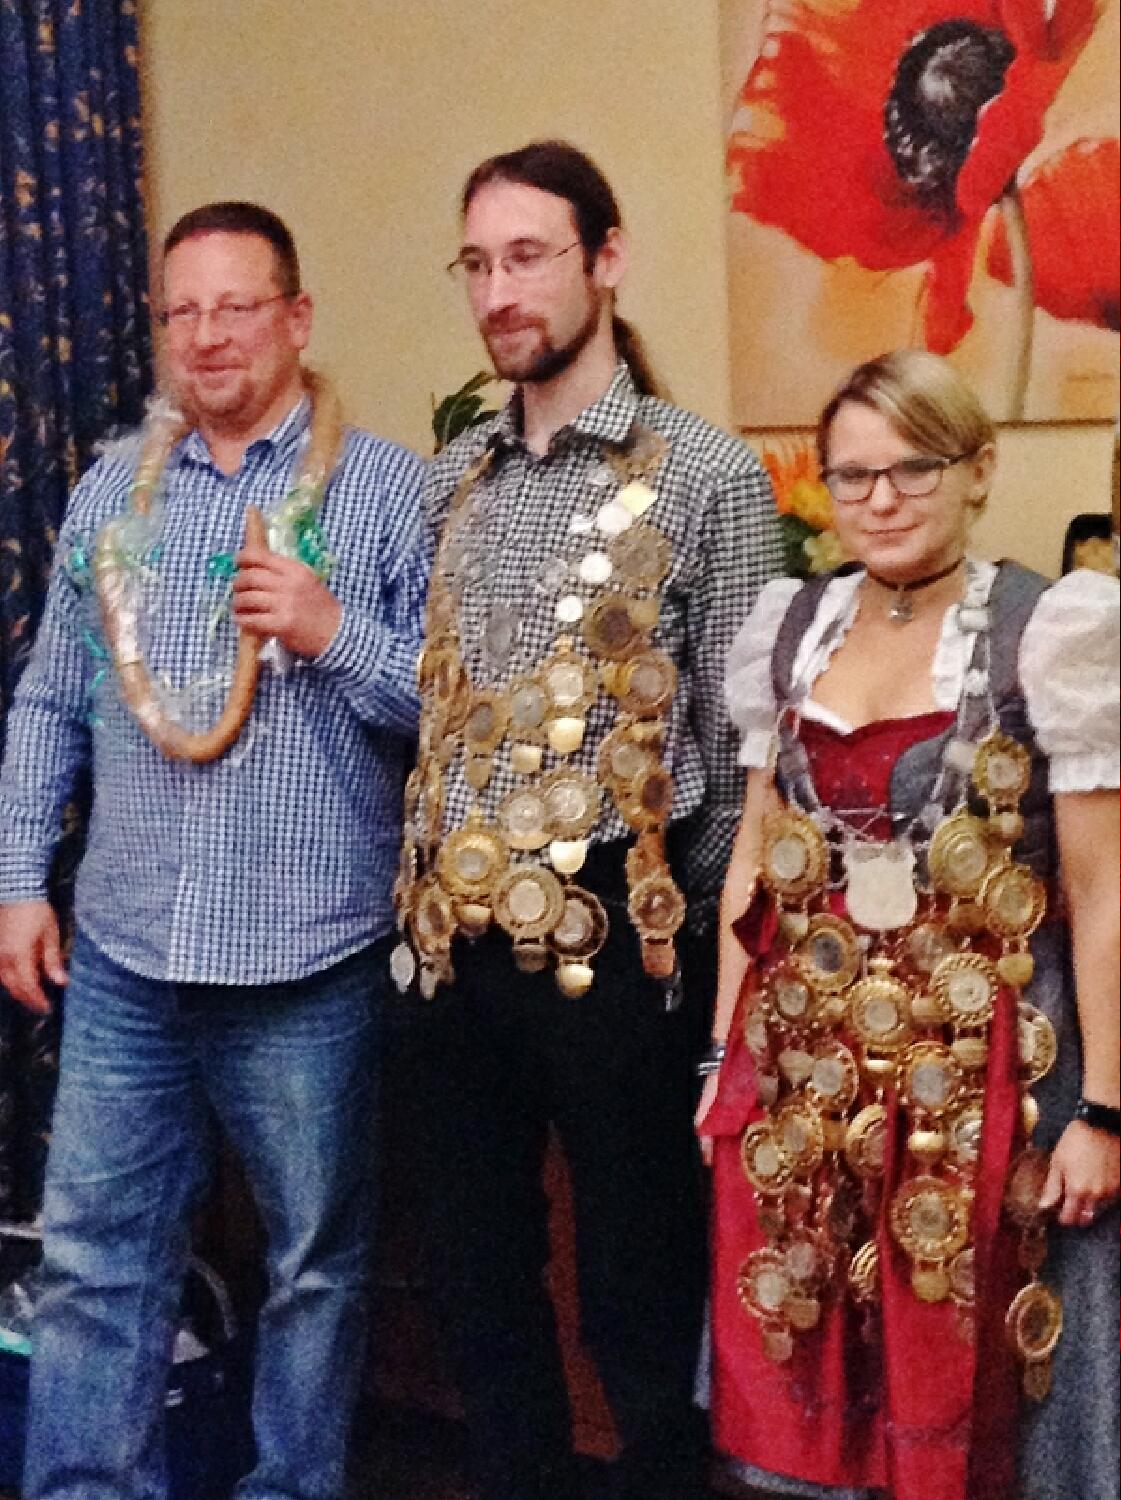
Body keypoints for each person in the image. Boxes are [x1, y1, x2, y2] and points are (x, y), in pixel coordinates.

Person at [0, 201, 428, 1500]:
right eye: (180, 312)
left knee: (312, 1269)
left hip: (307, 965)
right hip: (128, 954)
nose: (206, 336)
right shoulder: (109, 493)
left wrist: (329, 630)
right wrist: (17, 880)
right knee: (94, 1259)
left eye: (235, 306)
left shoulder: (385, 490)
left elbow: (449, 719)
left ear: (296, 318)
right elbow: (47, 701)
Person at [393, 140, 783, 1500]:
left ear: (605, 258)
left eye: (528, 257)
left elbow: (741, 755)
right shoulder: (453, 476)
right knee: (477, 1277)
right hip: (450, 942)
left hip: (620, 932)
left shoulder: (708, 475)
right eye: (477, 264)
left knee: (635, 1280)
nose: (499, 292)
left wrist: (694, 968)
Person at [698, 350, 1119, 1500]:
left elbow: (1101, 894)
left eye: (911, 469)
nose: (878, 500)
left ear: (976, 470)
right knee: (810, 1347)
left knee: (973, 1376)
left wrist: (1103, 1109)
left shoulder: (1052, 629)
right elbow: (753, 863)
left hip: (986, 1066)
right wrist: (719, 1060)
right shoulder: (792, 625)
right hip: (804, 1066)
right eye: (851, 476)